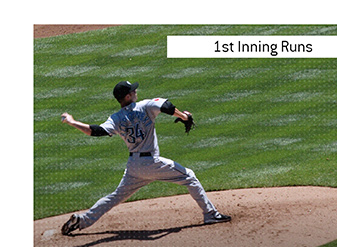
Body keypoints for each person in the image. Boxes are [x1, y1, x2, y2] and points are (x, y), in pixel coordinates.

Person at [61, 80, 231, 235]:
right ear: (128, 96)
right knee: (190, 177)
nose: (136, 92)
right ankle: (210, 214)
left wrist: (72, 121)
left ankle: (82, 220)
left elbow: (95, 131)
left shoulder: (116, 118)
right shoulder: (144, 106)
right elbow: (167, 106)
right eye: (133, 91)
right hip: (152, 162)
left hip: (134, 166)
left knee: (115, 197)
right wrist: (184, 116)